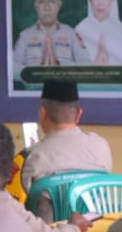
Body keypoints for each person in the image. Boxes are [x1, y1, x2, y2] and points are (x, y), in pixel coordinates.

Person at [18, 80, 113, 214]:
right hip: (92, 230)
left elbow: (14, 204)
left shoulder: (32, 155)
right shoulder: (101, 145)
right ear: (79, 114)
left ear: (42, 113)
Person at [12, 0, 90, 76]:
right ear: (36, 6)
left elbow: (86, 64)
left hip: (65, 89)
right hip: (34, 91)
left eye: (52, 1)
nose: (47, 7)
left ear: (59, 5)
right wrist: (36, 71)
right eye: (42, 2)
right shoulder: (24, 36)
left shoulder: (71, 33)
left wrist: (59, 69)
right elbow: (12, 68)